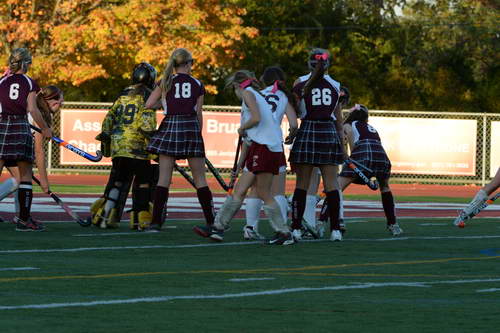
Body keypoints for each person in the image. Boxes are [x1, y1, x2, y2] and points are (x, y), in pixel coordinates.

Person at [193, 70, 295, 245]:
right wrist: (239, 166)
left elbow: (256, 118)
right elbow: (252, 136)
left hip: (266, 148)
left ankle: (284, 232)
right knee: (240, 190)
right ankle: (218, 227)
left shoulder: (248, 94)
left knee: (263, 192)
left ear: (236, 86)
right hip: (264, 147)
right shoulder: (255, 94)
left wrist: (242, 128)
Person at [145, 48, 215, 231]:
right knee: (200, 178)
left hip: (171, 126)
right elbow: (198, 112)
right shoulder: (197, 83)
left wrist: (166, 102)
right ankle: (211, 221)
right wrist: (198, 135)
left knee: (164, 178)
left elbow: (149, 104)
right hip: (191, 126)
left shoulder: (165, 81)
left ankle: (155, 223)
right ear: (187, 63)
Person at [289, 48, 347, 242]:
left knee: (302, 185)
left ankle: (296, 228)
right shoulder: (335, 85)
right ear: (328, 64)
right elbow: (339, 120)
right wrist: (342, 146)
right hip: (328, 132)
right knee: (331, 185)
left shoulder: (299, 83)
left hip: (308, 130)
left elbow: (296, 111)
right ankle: (336, 230)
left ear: (309, 63)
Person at [91, 62, 158, 229]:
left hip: (119, 147)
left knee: (118, 182)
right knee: (143, 182)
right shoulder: (148, 97)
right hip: (138, 149)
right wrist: (156, 145)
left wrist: (107, 143)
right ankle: (139, 219)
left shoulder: (122, 95)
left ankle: (104, 214)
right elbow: (146, 127)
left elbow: (108, 121)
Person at [241, 66, 298, 240]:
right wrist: (291, 136)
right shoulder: (283, 96)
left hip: (254, 142)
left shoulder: (256, 93)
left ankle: (250, 227)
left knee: (254, 189)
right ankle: (281, 229)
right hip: (273, 145)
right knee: (277, 191)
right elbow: (294, 124)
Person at [0, 48, 52, 231]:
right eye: (29, 62)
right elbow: (32, 108)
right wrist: (45, 128)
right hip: (20, 126)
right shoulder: (29, 82)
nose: (30, 65)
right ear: (24, 63)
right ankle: (23, 220)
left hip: (1, 125)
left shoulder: (2, 81)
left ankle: (23, 219)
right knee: (26, 176)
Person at [334, 103, 402, 236]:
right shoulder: (371, 127)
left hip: (364, 153)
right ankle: (393, 225)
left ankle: (327, 222)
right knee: (385, 188)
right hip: (381, 155)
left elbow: (354, 149)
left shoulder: (348, 125)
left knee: (336, 187)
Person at [0, 86, 63, 224]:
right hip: (7, 141)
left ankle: (19, 215)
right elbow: (39, 151)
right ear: (50, 101)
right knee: (19, 180)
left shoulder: (40, 112)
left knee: (20, 179)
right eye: (59, 102)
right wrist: (44, 180)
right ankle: (22, 217)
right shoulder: (38, 114)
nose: (61, 106)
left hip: (13, 144)